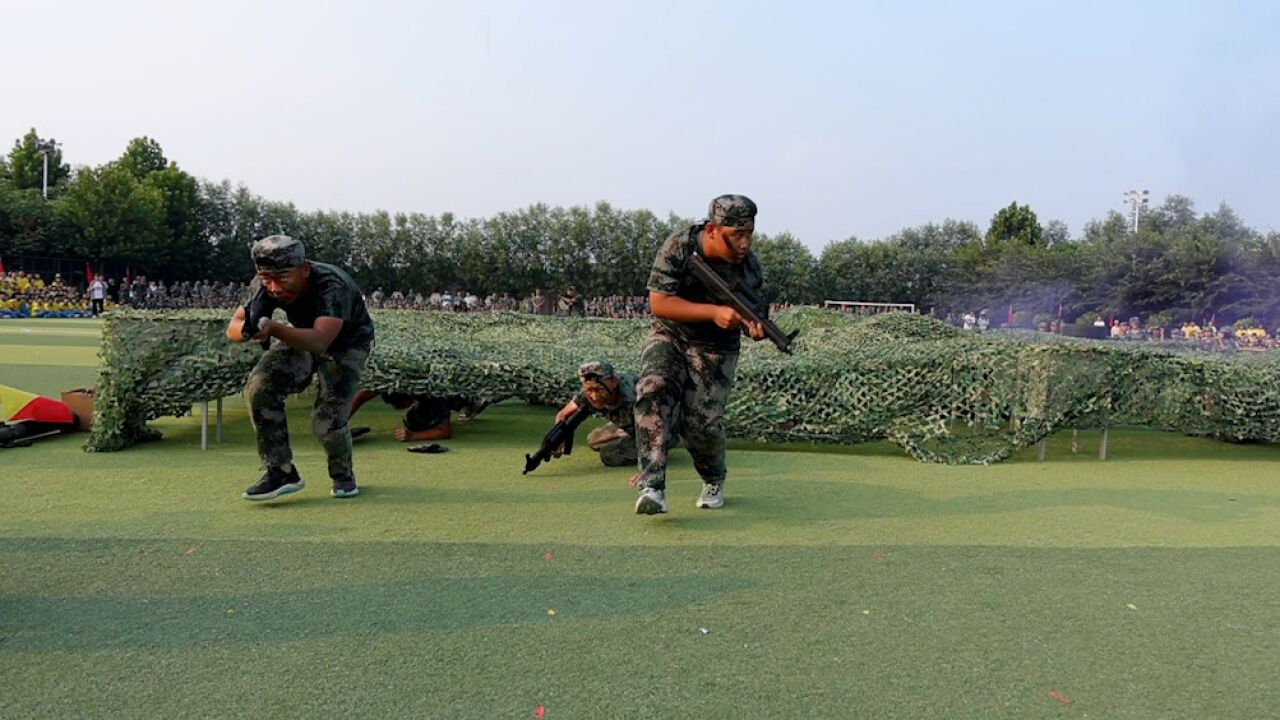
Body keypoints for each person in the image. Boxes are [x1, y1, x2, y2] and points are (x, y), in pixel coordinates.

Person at [631, 194, 768, 515]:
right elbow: (659, 303)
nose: (744, 243)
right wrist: (712, 312)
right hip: (671, 332)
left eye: (749, 234)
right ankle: (652, 486)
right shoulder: (679, 247)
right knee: (652, 388)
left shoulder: (749, 269)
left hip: (717, 347)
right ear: (711, 229)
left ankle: (713, 478)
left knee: (702, 424)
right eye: (736, 235)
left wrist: (754, 328)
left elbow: (753, 315)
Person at [225, 235, 375, 501]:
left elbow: (320, 341)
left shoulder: (332, 284)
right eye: (267, 278)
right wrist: (248, 330)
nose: (274, 287)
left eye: (282, 277)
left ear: (304, 269)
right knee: (259, 388)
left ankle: (343, 477)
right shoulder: (263, 285)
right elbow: (234, 326)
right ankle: (280, 471)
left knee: (326, 421)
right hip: (302, 335)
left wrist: (273, 329)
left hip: (347, 344)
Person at [552, 360, 643, 467]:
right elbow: (563, 414)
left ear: (613, 382)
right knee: (594, 439)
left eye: (598, 389)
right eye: (589, 389)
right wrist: (559, 437)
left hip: (653, 427)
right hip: (628, 425)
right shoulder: (587, 393)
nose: (594, 397)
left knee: (609, 454)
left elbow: (657, 424)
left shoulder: (636, 392)